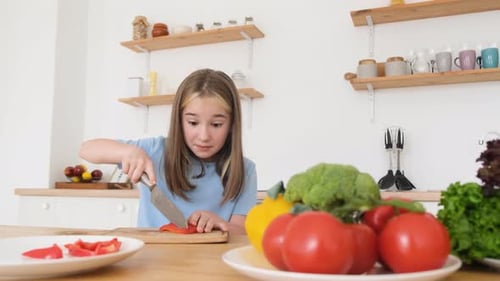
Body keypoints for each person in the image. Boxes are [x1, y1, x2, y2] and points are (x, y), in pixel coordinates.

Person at [79, 68, 257, 234]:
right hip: (151, 259)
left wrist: (221, 224)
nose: (204, 136)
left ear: (232, 124)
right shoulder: (155, 151)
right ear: (179, 121)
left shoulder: (244, 170)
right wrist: (127, 151)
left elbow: (241, 231)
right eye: (193, 123)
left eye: (216, 124)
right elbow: (86, 149)